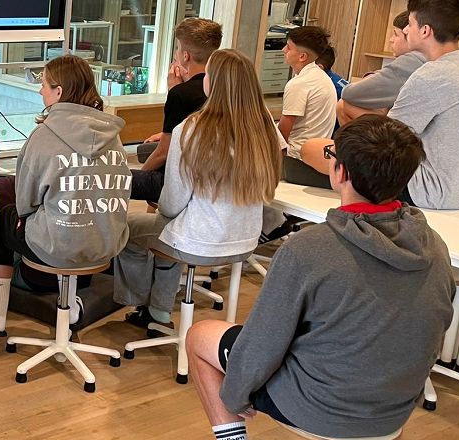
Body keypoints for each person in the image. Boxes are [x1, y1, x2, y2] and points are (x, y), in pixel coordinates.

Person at [174, 115, 455, 440]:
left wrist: (234, 394)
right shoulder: (435, 246)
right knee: (365, 337)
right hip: (392, 410)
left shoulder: (310, 249)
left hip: (323, 406)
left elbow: (261, 345)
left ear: (340, 172)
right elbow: (430, 331)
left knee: (201, 336)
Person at [0, 54, 130, 338]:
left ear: (59, 92)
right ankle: (71, 304)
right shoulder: (112, 136)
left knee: (4, 220)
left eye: (44, 84)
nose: (40, 90)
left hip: (58, 246)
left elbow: (25, 202)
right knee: (81, 217)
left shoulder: (43, 136)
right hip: (106, 243)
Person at [114, 50, 282, 330]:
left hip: (197, 241)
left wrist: (162, 207)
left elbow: (173, 202)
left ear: (212, 82)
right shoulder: (265, 128)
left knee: (129, 229)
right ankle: (158, 311)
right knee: (172, 229)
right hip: (244, 240)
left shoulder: (192, 129)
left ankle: (142, 305)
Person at [300, 0, 459, 210]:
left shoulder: (432, 75)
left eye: (411, 24)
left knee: (311, 148)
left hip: (430, 192)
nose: (406, 29)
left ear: (425, 31)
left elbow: (387, 147)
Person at [132, 18, 223, 203]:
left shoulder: (181, 94)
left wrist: (141, 176)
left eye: (178, 48)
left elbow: (164, 152)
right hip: (214, 172)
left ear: (185, 56)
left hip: (185, 179)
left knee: (121, 179)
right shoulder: (225, 86)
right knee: (147, 150)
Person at [336, 10, 425, 126]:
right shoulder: (426, 59)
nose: (391, 40)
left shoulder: (410, 63)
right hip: (414, 127)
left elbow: (349, 93)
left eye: (395, 34)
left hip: (407, 133)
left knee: (343, 105)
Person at [278, 26, 337, 186]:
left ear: (302, 56)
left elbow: (283, 134)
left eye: (288, 47)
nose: (283, 50)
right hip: (318, 155)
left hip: (296, 160)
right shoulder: (322, 78)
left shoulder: (299, 84)